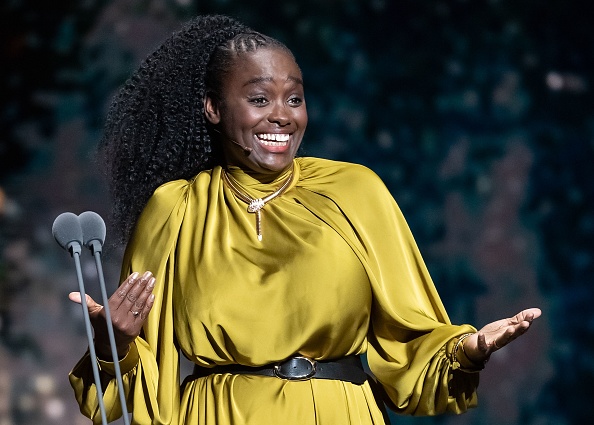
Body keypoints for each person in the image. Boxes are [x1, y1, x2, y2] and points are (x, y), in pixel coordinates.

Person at [68, 15, 541, 425]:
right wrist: (114, 344)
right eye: (259, 100)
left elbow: (412, 338)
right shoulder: (175, 209)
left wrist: (469, 349)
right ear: (213, 108)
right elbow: (144, 385)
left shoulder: (355, 192)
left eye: (293, 100)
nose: (282, 117)